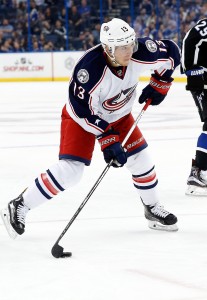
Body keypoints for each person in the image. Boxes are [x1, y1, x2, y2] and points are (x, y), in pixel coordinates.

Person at [1, 18, 180, 239]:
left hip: (120, 115)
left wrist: (160, 83)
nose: (129, 51)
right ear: (108, 49)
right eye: (122, 47)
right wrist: (107, 137)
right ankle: (20, 204)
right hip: (83, 119)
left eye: (130, 44)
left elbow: (172, 52)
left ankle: (152, 208)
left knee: (141, 159)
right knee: (71, 171)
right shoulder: (89, 69)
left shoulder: (141, 51)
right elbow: (80, 110)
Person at [181, 18, 207, 196]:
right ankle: (197, 172)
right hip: (201, 82)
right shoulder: (203, 27)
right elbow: (189, 40)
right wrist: (191, 70)